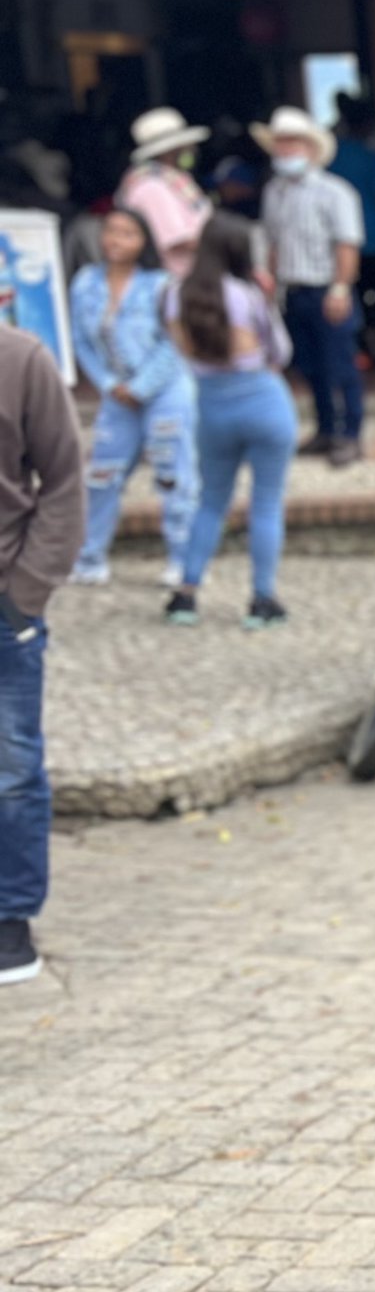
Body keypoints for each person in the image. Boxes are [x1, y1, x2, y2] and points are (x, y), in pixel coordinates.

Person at [0, 314, 83, 987]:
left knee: (11, 766)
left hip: (3, 601)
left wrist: (24, 593)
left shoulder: (22, 359)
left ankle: (9, 925)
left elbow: (63, 482)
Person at [167, 212, 296, 629]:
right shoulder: (248, 295)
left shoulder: (173, 295)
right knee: (266, 503)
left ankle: (186, 595)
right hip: (263, 400)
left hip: (211, 405)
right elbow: (281, 351)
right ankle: (261, 599)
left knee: (210, 501)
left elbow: (176, 347)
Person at [69, 207, 195, 586]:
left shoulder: (162, 285)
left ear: (143, 242)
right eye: (110, 231)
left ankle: (182, 558)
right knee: (102, 472)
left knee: (172, 472)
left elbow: (174, 343)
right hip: (117, 392)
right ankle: (90, 558)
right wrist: (109, 384)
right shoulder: (85, 282)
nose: (115, 240)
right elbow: (80, 340)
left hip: (166, 390)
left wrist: (141, 387)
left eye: (127, 233)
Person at [254, 106, 366, 468]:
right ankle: (325, 430)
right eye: (280, 144)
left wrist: (339, 288)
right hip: (293, 290)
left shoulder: (335, 193)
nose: (285, 151)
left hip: (324, 288)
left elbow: (346, 245)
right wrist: (270, 283)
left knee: (341, 367)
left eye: (291, 143)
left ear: (310, 148)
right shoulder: (274, 192)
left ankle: (350, 435)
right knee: (311, 366)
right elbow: (272, 241)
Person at [327, 93, 375, 365]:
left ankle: (361, 352)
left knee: (353, 304)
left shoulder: (331, 158)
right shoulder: (371, 158)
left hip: (339, 246)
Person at [115, 108, 212, 278]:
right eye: (185, 145)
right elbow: (177, 240)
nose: (192, 149)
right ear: (170, 151)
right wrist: (223, 244)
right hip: (179, 281)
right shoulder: (151, 187)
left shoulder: (175, 180)